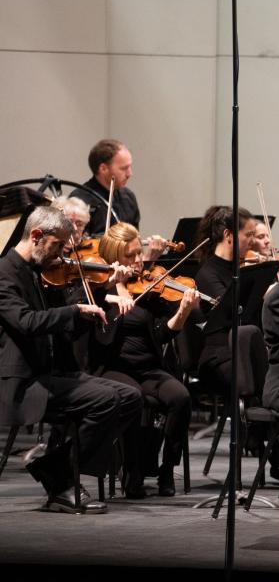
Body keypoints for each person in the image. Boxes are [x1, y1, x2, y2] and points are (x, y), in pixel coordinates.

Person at [0, 206, 141, 513]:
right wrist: (74, 312)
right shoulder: (4, 274)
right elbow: (26, 322)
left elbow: (60, 317)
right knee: (103, 398)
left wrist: (89, 309)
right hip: (23, 382)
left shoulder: (38, 272)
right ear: (36, 235)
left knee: (129, 396)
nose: (61, 254)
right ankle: (63, 482)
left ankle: (54, 467)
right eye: (57, 246)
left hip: (53, 373)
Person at [94, 222, 197, 498]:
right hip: (113, 368)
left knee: (181, 397)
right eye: (131, 255)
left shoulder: (148, 289)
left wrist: (183, 313)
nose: (139, 260)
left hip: (148, 368)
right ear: (115, 257)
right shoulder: (98, 291)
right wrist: (113, 290)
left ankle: (167, 468)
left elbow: (161, 334)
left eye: (140, 253)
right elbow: (98, 338)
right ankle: (132, 469)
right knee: (134, 397)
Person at [193, 205, 264, 392]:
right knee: (265, 376)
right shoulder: (207, 274)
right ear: (229, 235)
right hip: (220, 355)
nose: (253, 241)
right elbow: (232, 312)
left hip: (244, 348)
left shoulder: (242, 269)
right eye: (248, 235)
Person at [69, 139, 167, 260]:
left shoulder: (128, 198)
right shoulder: (80, 200)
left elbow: (133, 247)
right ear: (103, 168)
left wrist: (148, 258)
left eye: (130, 167)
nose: (129, 173)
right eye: (124, 168)